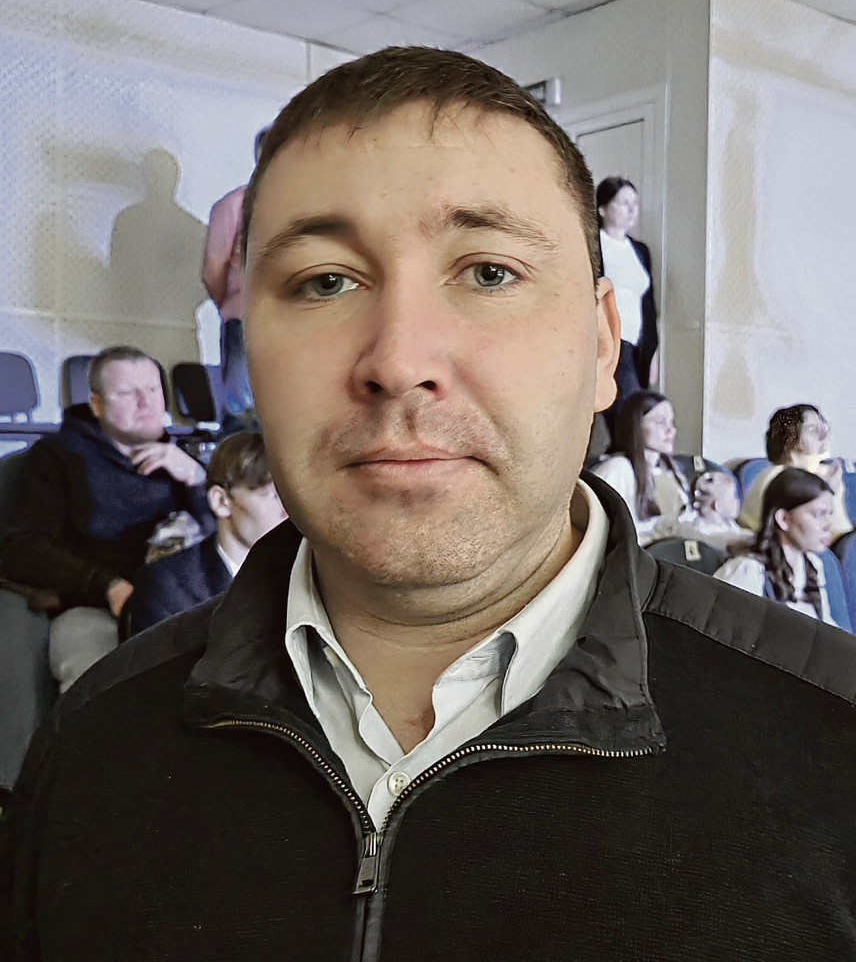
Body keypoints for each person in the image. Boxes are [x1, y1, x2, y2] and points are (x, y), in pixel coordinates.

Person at [5, 48, 856, 962]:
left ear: (605, 345)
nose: (399, 359)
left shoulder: (834, 743)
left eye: (489, 272)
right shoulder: (92, 750)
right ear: (251, 353)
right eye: (325, 281)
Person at [0, 346, 211, 693]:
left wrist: (197, 481)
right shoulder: (57, 458)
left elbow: (224, 541)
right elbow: (23, 548)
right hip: (96, 606)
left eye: (153, 389)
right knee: (98, 682)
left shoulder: (185, 464)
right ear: (97, 405)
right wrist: (105, 585)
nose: (146, 403)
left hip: (182, 604)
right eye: (128, 393)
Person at [129, 431, 286, 634]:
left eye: (291, 498)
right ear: (221, 501)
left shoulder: (307, 575)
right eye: (275, 496)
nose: (288, 512)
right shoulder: (169, 588)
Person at [715, 467, 844, 628]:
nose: (828, 525)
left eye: (829, 514)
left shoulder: (812, 564)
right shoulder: (748, 570)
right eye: (819, 514)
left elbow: (826, 629)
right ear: (783, 519)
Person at [202, 128, 269, 432]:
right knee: (240, 412)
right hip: (244, 317)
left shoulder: (309, 204)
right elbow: (213, 268)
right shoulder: (234, 205)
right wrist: (232, 303)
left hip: (300, 320)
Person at [739, 403, 853, 539]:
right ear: (790, 440)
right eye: (813, 429)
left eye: (824, 426)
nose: (823, 434)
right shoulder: (775, 477)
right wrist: (827, 490)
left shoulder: (826, 473)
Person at [590, 391, 690, 543]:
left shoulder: (669, 473)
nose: (671, 430)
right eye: (661, 421)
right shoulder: (618, 468)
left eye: (671, 422)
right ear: (636, 425)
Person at [596, 176, 658, 413]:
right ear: (603, 209)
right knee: (628, 412)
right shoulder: (595, 245)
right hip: (608, 341)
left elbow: (648, 305)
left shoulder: (640, 250)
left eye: (635, 203)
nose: (632, 209)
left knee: (631, 412)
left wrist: (653, 351)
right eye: (624, 203)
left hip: (636, 344)